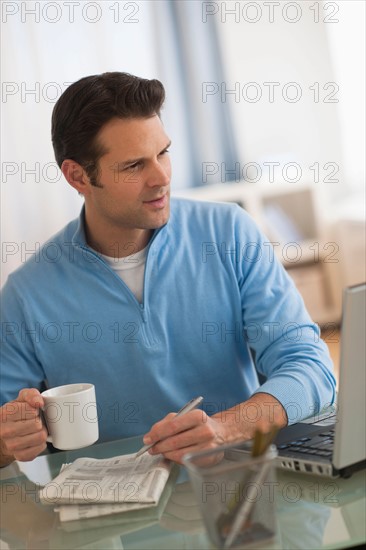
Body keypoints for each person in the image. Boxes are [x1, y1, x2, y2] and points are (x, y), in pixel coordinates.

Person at [0, 72, 336, 467]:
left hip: (239, 492)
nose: (161, 178)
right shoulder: (26, 295)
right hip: (112, 521)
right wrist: (8, 441)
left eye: (163, 152)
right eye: (134, 165)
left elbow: (310, 366)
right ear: (78, 176)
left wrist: (227, 427)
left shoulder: (229, 233)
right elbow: (5, 431)